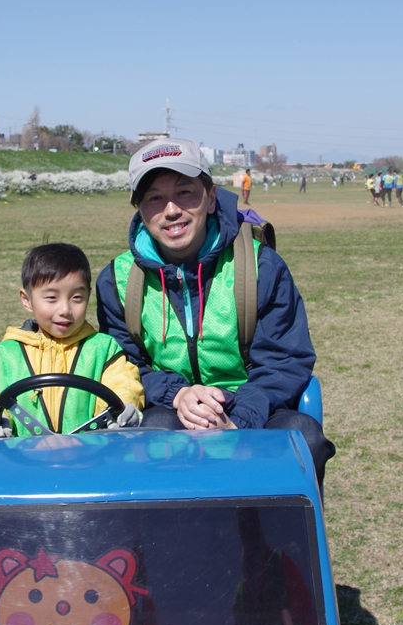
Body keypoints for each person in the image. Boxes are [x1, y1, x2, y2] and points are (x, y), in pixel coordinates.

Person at [96, 138, 336, 486]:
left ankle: (272, 540)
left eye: (185, 193)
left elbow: (286, 358)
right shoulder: (118, 279)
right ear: (140, 209)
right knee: (151, 432)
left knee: (302, 438)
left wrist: (241, 418)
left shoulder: (261, 265)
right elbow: (119, 364)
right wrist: (177, 394)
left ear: (210, 197)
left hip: (253, 403)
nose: (172, 210)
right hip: (167, 405)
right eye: (154, 198)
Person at [0, 242, 145, 440]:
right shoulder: (1, 357)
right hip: (22, 461)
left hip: (90, 459)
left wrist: (125, 406)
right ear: (27, 300)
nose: (65, 309)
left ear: (88, 296)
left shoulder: (103, 350)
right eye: (51, 298)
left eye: (76, 297)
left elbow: (123, 384)